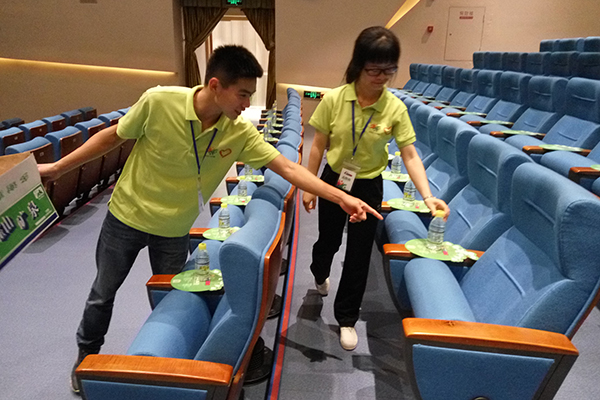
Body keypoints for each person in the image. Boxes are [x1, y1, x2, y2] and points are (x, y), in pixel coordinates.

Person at [38, 45, 381, 394]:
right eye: (242, 94)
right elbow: (112, 137)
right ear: (215, 85)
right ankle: (86, 355)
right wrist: (57, 168)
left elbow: (288, 168)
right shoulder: (159, 101)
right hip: (126, 218)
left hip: (174, 230)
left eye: (250, 95)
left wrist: (341, 197)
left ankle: (162, 364)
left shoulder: (238, 131)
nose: (247, 103)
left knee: (174, 301)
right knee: (103, 293)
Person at [302, 27, 450, 351]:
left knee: (358, 254)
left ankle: (346, 318)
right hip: (334, 180)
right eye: (374, 70)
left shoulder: (394, 108)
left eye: (389, 70)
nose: (382, 77)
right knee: (328, 241)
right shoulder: (335, 100)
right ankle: (319, 271)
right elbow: (318, 145)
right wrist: (310, 186)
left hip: (369, 185)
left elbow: (410, 154)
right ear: (359, 65)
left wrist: (428, 196)